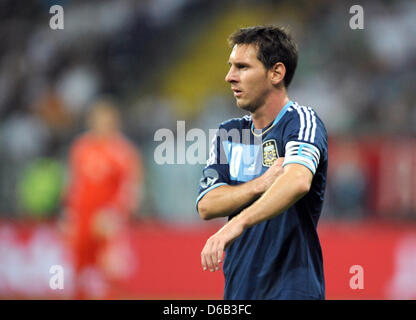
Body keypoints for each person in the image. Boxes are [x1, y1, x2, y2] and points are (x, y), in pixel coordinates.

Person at [197, 26, 328, 300]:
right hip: (239, 289)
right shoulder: (229, 133)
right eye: (231, 66)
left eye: (242, 67)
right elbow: (207, 205)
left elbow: (298, 180)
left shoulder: (301, 121)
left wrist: (237, 223)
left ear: (276, 73)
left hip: (292, 287)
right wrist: (259, 184)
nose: (229, 77)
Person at [62, 99, 143, 299]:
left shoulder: (123, 152)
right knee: (77, 268)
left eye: (106, 119)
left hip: (107, 219)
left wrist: (115, 214)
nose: (102, 123)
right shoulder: (81, 148)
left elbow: (131, 189)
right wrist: (69, 213)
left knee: (111, 269)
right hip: (82, 217)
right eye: (98, 119)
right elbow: (73, 184)